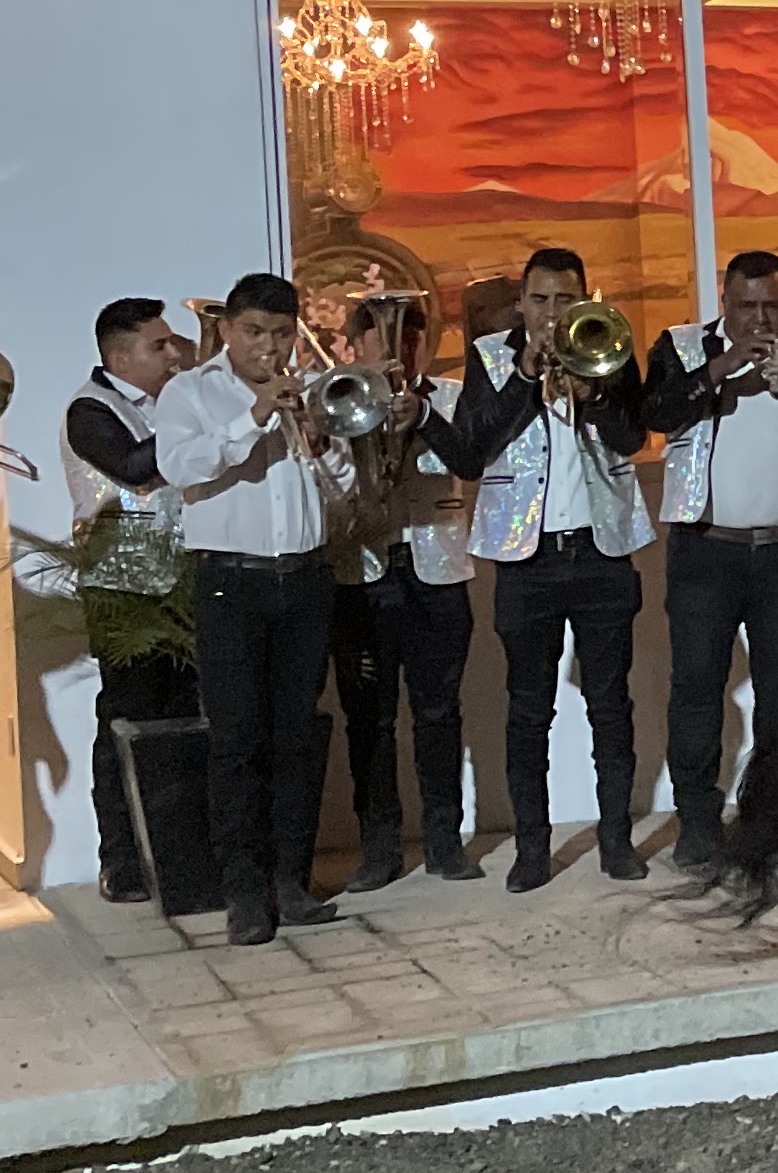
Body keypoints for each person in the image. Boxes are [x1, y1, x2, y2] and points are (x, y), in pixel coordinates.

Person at [435, 244, 653, 890]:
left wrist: (596, 394)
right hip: (525, 559)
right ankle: (534, 849)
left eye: (565, 300)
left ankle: (616, 841)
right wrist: (528, 378)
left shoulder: (609, 345)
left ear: (585, 298)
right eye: (539, 300)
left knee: (611, 705)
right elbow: (473, 450)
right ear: (520, 302)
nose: (551, 313)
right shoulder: (489, 358)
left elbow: (632, 439)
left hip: (601, 551)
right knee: (529, 710)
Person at [148, 269, 354, 943]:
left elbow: (342, 488)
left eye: (283, 333)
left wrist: (324, 440)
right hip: (228, 583)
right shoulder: (191, 393)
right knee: (236, 740)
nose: (271, 346)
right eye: (256, 332)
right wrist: (255, 415)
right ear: (227, 331)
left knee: (296, 735)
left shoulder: (312, 393)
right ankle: (242, 893)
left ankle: (291, 882)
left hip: (302, 578)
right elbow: (181, 468)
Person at [642, 250, 778, 872]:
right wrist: (720, 369)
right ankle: (698, 823)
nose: (762, 319)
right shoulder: (681, 347)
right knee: (696, 689)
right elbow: (651, 415)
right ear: (726, 304)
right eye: (748, 307)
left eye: (774, 306)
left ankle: (774, 817)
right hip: (704, 550)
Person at [325, 294, 480, 890]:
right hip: (360, 570)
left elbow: (471, 458)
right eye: (381, 341)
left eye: (409, 341)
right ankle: (379, 850)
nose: (396, 352)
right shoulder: (334, 394)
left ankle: (444, 843)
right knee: (369, 719)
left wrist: (422, 418)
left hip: (437, 570)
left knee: (439, 712)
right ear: (354, 346)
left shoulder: (447, 395)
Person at [59, 297, 193, 901]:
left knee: (187, 718)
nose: (174, 354)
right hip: (124, 591)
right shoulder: (89, 410)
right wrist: (201, 424)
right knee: (126, 722)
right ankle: (121, 860)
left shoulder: (174, 400)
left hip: (183, 582)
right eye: (158, 346)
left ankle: (181, 850)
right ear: (119, 356)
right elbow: (137, 467)